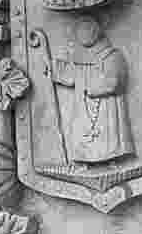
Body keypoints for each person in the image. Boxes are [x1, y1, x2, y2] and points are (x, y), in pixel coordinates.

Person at [47, 16, 133, 164]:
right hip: (83, 106)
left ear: (96, 32)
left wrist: (94, 87)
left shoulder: (112, 55)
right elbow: (71, 75)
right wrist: (54, 68)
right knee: (81, 129)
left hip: (107, 106)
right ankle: (85, 161)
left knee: (109, 133)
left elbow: (115, 81)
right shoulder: (79, 58)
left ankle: (113, 160)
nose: (83, 35)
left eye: (87, 31)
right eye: (80, 32)